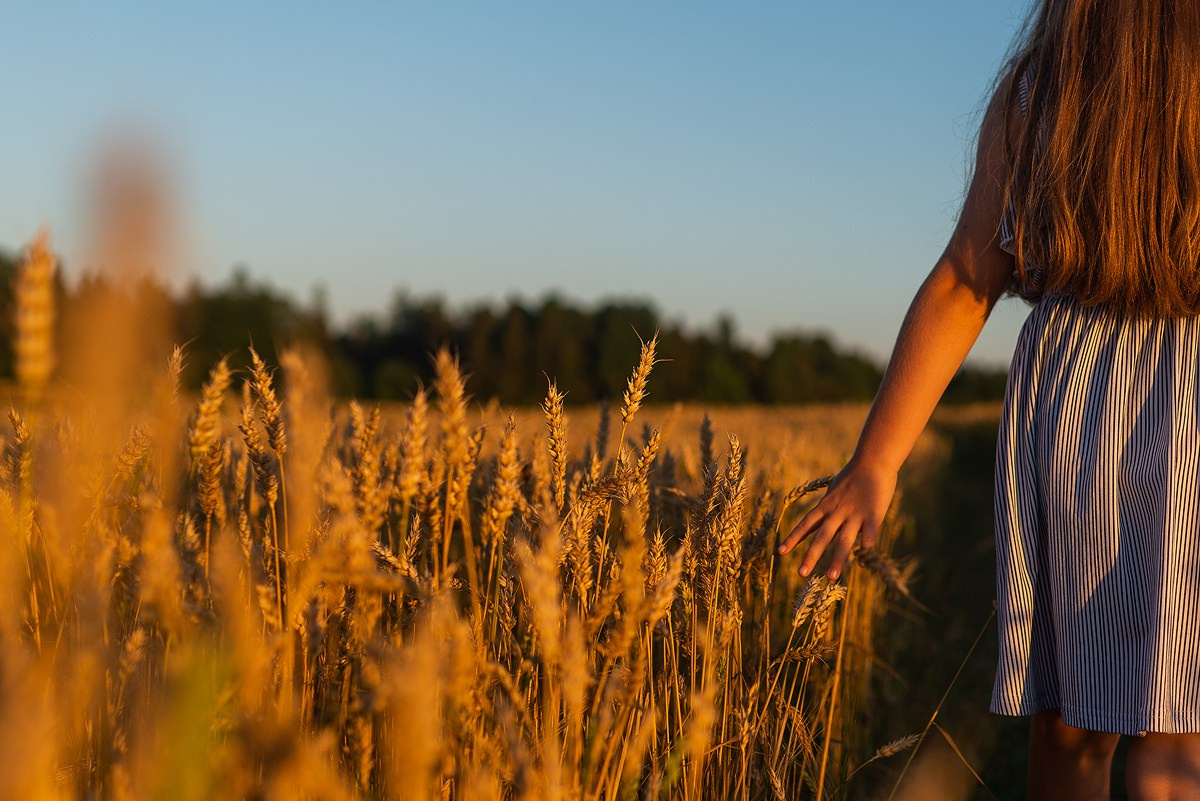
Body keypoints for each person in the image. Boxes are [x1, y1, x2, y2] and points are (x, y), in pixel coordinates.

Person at [777, 1, 1200, 799]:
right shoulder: (1054, 89)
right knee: (1179, 729)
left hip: (1082, 413)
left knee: (1073, 728)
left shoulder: (1044, 90)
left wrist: (876, 461)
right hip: (1171, 404)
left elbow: (965, 281)